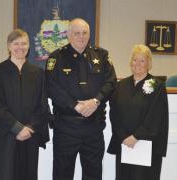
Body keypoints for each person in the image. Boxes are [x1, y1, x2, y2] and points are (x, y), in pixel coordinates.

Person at [46, 18, 117, 180]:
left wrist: (96, 101)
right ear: (69, 35)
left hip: (93, 128)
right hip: (65, 128)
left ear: (89, 34)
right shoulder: (56, 58)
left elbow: (111, 82)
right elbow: (51, 87)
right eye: (76, 33)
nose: (81, 36)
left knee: (93, 174)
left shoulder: (102, 55)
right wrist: (75, 106)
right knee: (62, 174)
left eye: (84, 33)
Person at [0, 29, 49, 180]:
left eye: (24, 43)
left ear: (29, 45)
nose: (20, 47)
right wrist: (17, 128)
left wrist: (30, 128)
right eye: (16, 43)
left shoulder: (37, 73)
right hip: (4, 135)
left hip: (29, 136)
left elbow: (42, 105)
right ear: (9, 46)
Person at [107, 44, 169, 180]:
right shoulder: (121, 85)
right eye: (135, 60)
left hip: (146, 146)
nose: (138, 64)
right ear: (130, 62)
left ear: (149, 63)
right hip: (124, 145)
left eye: (142, 60)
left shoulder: (156, 85)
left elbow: (156, 116)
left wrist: (136, 137)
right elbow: (114, 113)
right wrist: (123, 136)